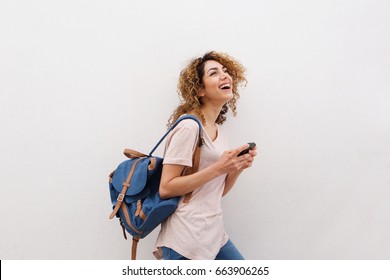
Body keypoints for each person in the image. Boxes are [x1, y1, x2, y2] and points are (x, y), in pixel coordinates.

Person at [153, 51, 257, 260]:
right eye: (214, 73)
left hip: (214, 235)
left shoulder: (218, 131)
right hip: (186, 239)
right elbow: (166, 188)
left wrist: (236, 168)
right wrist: (219, 168)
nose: (225, 76)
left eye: (226, 71)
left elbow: (217, 192)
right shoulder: (189, 127)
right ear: (199, 89)